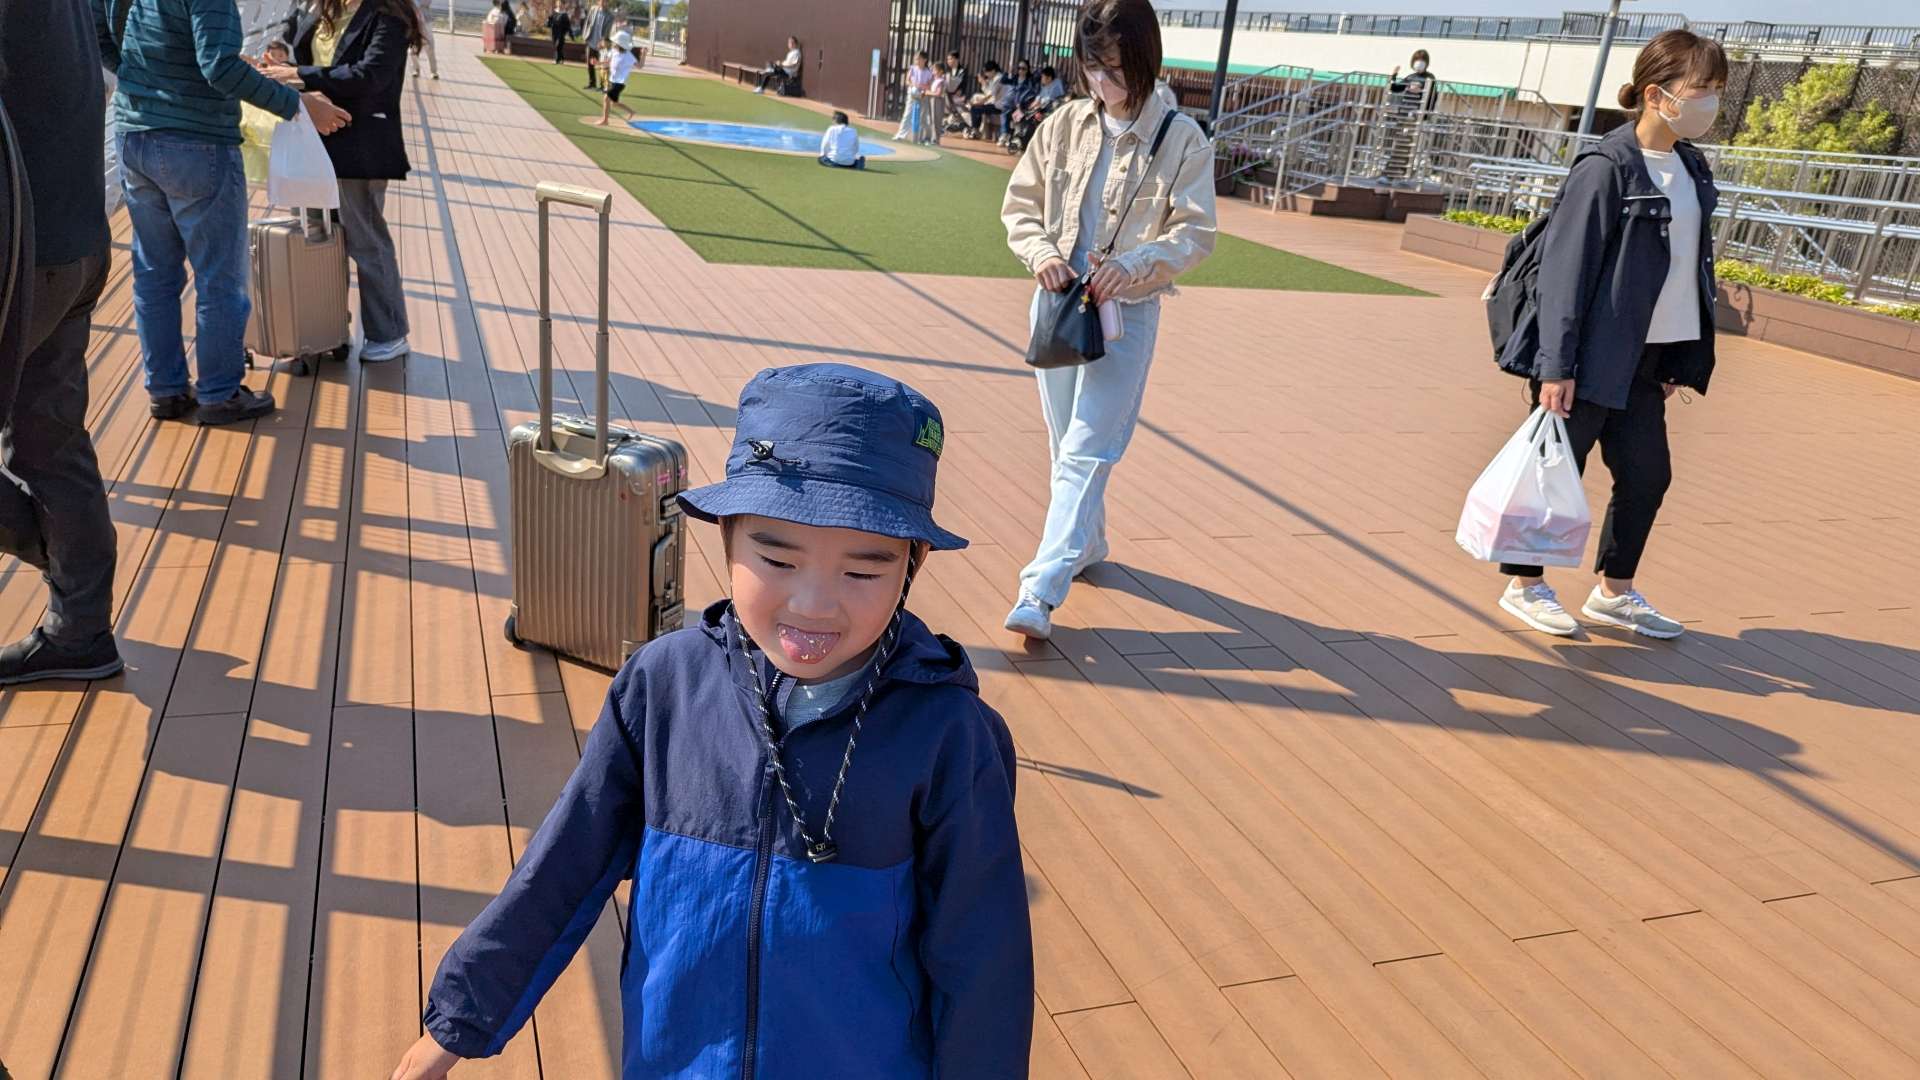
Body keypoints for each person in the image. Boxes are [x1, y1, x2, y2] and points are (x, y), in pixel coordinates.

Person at [387, 364, 1033, 1080]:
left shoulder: (949, 733)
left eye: (863, 571)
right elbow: (565, 864)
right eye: (777, 558)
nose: (814, 604)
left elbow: (983, 955)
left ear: (912, 565)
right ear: (726, 536)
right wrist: (460, 1017)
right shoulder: (662, 685)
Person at [1491, 29, 1725, 640]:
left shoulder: (1691, 166)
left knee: (1647, 476)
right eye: (1701, 89)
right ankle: (1524, 584)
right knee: (1555, 472)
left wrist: (1679, 356)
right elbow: (1566, 272)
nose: (1710, 103)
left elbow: (1689, 268)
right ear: (1656, 94)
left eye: (1717, 90)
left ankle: (1614, 592)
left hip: (1650, 358)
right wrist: (1555, 365)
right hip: (1592, 356)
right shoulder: (1606, 167)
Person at [999, 0, 1218, 640]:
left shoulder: (1181, 138)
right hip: (1059, 304)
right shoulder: (1065, 123)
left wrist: (1138, 263)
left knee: (1088, 449)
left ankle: (1039, 590)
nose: (1103, 82)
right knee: (1064, 443)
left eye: (1116, 69)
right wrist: (1041, 254)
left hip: (1127, 313)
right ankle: (1088, 542)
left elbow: (1196, 232)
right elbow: (1020, 205)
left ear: (1145, 59)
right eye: (1093, 68)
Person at [97, 0, 349, 427]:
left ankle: (166, 390)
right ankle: (219, 394)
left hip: (134, 136)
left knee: (154, 274)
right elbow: (218, 67)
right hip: (197, 142)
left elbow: (99, 34)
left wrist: (146, 79)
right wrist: (299, 105)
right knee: (219, 279)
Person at [0, 0, 124, 684]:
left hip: (21, 254)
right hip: (74, 240)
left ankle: (61, 554)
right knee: (51, 441)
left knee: (49, 441)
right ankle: (81, 629)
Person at [262, 0, 423, 365]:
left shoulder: (389, 15)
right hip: (313, 138)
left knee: (364, 239)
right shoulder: (320, 8)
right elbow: (290, 38)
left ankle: (389, 333)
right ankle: (326, 327)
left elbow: (370, 75)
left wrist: (299, 74)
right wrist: (279, 57)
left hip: (359, 143)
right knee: (315, 237)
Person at [594, 36, 640, 125]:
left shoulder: (628, 55)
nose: (613, 43)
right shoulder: (613, 51)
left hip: (620, 82)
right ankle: (631, 111)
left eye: (616, 42)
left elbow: (640, 66)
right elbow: (608, 61)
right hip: (612, 80)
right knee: (613, 103)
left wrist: (643, 54)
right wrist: (598, 63)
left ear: (620, 44)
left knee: (606, 98)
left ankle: (605, 120)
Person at [966, 59, 1011, 140]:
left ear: (993, 70)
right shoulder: (995, 78)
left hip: (1000, 106)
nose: (985, 74)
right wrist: (983, 83)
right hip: (996, 104)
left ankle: (975, 131)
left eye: (986, 72)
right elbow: (989, 93)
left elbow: (990, 95)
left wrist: (978, 103)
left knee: (975, 108)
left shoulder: (999, 78)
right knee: (976, 106)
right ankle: (975, 130)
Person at [895, 50, 934, 142]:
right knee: (907, 114)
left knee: (923, 117)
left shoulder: (928, 72)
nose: (917, 60)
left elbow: (929, 85)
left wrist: (921, 87)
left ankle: (923, 137)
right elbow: (907, 81)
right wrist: (913, 85)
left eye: (919, 58)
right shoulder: (912, 68)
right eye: (916, 58)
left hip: (923, 95)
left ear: (925, 60)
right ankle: (901, 135)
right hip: (912, 94)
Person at [580, 0, 614, 89]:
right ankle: (592, 84)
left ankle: (603, 85)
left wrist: (603, 42)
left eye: (604, 1)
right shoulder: (593, 9)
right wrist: (584, 35)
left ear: (607, 3)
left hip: (602, 44)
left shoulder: (610, 16)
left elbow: (608, 31)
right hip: (590, 41)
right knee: (589, 63)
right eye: (601, 1)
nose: (602, 2)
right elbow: (587, 22)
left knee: (602, 65)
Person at [411, 0, 438, 79]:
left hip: (426, 21)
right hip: (415, 22)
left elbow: (427, 2)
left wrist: (416, 3)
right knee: (413, 49)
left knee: (430, 47)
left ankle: (433, 72)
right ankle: (416, 69)